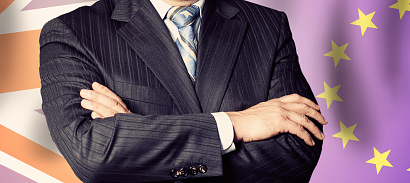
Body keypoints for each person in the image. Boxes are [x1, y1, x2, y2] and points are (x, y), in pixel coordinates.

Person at [39, 0, 326, 182]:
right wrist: (233, 125)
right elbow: (90, 152)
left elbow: (298, 149)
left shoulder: (268, 25)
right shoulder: (72, 31)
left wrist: (137, 135)